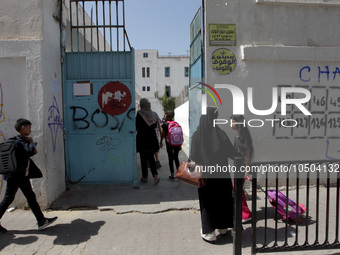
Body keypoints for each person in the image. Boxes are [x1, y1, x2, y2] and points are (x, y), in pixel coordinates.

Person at [0, 118, 57, 233]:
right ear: (23, 128)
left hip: (19, 176)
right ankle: (40, 220)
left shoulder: (15, 140)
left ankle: (41, 220)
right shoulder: (21, 141)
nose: (30, 130)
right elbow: (32, 151)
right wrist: (31, 142)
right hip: (17, 176)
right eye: (29, 128)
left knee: (30, 197)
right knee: (8, 199)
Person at [191, 107, 236, 243]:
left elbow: (193, 156)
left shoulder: (197, 135)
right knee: (223, 199)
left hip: (205, 177)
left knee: (207, 203)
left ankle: (209, 231)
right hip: (222, 175)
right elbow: (232, 153)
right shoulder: (220, 133)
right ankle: (223, 228)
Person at [230, 115, 254, 224]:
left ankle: (246, 213)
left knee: (237, 188)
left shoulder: (245, 137)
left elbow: (247, 155)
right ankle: (243, 212)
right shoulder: (237, 136)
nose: (231, 124)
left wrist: (247, 170)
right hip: (237, 167)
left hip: (243, 167)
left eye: (233, 122)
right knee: (237, 189)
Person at [136, 98, 160, 184]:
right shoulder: (152, 114)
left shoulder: (140, 114)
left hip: (142, 139)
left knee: (143, 158)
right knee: (151, 158)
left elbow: (136, 126)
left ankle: (145, 177)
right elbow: (154, 126)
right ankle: (155, 175)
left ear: (141, 105)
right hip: (152, 139)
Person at [160, 110, 181, 180]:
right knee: (176, 157)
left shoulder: (165, 124)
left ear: (167, 116)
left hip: (169, 144)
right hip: (177, 143)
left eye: (165, 115)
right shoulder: (176, 123)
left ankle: (172, 174)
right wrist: (180, 145)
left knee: (170, 158)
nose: (164, 116)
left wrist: (160, 142)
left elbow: (163, 134)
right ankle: (179, 174)